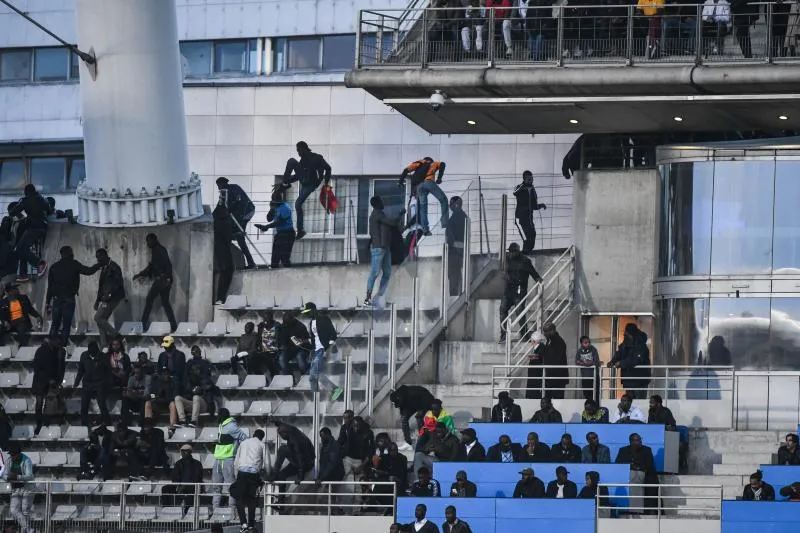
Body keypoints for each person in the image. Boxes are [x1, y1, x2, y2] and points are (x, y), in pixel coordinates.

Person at [279, 141, 332, 240]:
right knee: (291, 161)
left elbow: (328, 168)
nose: (298, 153)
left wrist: (325, 183)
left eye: (299, 150)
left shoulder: (317, 158)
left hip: (311, 183)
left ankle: (300, 230)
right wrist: (286, 181)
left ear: (304, 149)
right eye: (297, 151)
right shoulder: (303, 161)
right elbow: (297, 176)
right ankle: (284, 183)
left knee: (297, 203)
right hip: (305, 182)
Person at [45, 245, 98, 345]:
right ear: (69, 253)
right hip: (69, 298)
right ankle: (63, 346)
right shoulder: (74, 264)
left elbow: (50, 287)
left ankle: (50, 345)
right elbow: (88, 271)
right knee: (66, 324)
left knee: (55, 324)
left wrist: (47, 302)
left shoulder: (54, 267)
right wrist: (98, 265)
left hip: (56, 299)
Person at [364, 195, 405, 307]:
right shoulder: (377, 214)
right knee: (374, 273)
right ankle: (367, 299)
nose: (383, 203)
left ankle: (379, 298)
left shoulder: (378, 215)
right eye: (381, 202)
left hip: (385, 248)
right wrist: (400, 214)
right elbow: (392, 223)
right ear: (377, 204)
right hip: (378, 248)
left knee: (387, 273)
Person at [133, 233, 178, 332]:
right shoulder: (156, 250)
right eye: (147, 242)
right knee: (165, 303)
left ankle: (143, 324)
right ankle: (174, 326)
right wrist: (140, 274)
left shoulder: (160, 250)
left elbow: (168, 264)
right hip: (164, 280)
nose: (148, 243)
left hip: (162, 280)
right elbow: (152, 267)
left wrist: (167, 278)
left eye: (149, 241)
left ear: (154, 240)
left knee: (149, 299)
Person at [498, 242, 542, 343]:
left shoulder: (525, 261)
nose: (511, 253)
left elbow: (534, 273)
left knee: (519, 312)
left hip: (520, 291)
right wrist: (504, 275)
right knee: (502, 310)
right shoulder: (506, 259)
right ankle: (503, 335)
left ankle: (524, 334)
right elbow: (500, 269)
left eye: (513, 252)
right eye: (510, 251)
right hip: (508, 291)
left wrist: (539, 281)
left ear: (518, 251)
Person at [300, 302, 343, 400]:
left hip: (323, 349)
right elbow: (314, 339)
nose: (307, 314)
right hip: (316, 351)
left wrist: (328, 349)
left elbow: (333, 334)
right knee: (312, 376)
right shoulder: (311, 323)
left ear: (314, 310)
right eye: (306, 312)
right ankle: (316, 397)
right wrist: (310, 348)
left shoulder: (324, 319)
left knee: (315, 373)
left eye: (308, 312)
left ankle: (335, 389)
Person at [10, 184, 49, 281]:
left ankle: (39, 263)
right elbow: (48, 209)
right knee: (22, 248)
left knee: (20, 248)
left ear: (26, 192)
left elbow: (13, 212)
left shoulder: (25, 200)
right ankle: (23, 275)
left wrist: (20, 205)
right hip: (43, 228)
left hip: (34, 228)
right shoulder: (41, 199)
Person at [399, 157, 448, 235]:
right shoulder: (433, 163)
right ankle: (445, 222)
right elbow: (442, 164)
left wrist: (400, 181)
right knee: (443, 199)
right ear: (430, 160)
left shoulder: (419, 163)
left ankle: (425, 229)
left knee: (423, 208)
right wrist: (439, 178)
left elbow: (406, 170)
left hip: (420, 186)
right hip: (429, 182)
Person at [212, 408, 249, 512]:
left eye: (218, 414)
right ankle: (215, 510)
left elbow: (245, 438)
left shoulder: (232, 426)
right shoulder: (221, 425)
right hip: (218, 459)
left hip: (228, 459)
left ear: (222, 415)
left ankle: (232, 510)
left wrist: (237, 450)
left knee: (231, 487)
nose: (217, 416)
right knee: (216, 487)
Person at [232, 429, 269, 532]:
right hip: (254, 474)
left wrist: (236, 476)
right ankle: (251, 525)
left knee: (239, 499)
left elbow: (236, 461)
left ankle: (243, 524)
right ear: (262, 437)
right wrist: (267, 476)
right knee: (251, 499)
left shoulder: (243, 443)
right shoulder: (262, 445)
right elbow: (267, 463)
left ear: (253, 434)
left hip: (241, 473)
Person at [216, 177, 256, 269]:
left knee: (239, 236)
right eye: (217, 186)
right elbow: (220, 206)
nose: (218, 188)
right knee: (230, 234)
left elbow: (242, 204)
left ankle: (251, 263)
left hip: (247, 211)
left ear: (224, 184)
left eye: (219, 185)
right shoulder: (223, 193)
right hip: (236, 215)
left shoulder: (234, 188)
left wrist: (240, 224)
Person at [615, 433, 659, 513]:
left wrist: (639, 467)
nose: (640, 441)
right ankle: (632, 509)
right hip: (627, 474)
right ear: (631, 442)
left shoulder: (647, 450)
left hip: (643, 473)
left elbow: (650, 465)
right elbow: (618, 464)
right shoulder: (623, 450)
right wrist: (630, 466)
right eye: (637, 440)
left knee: (639, 476)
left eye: (640, 439)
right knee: (632, 475)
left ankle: (637, 509)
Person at [338, 412, 375, 505]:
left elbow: (371, 452)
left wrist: (362, 466)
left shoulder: (368, 433)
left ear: (362, 425)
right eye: (354, 426)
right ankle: (346, 507)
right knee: (348, 484)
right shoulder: (346, 429)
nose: (356, 428)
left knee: (359, 486)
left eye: (358, 426)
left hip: (360, 460)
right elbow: (340, 442)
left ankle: (356, 508)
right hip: (348, 458)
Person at [31, 336, 65, 436]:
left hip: (51, 382)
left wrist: (57, 380)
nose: (58, 345)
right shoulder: (41, 351)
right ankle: (39, 424)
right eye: (57, 343)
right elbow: (37, 368)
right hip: (40, 382)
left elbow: (59, 367)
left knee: (49, 404)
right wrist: (49, 379)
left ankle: (46, 423)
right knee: (39, 403)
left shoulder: (57, 352)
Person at [175, 346, 215, 428]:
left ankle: (194, 421)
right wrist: (191, 390)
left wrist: (201, 389)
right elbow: (186, 393)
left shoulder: (205, 379)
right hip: (192, 405)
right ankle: (182, 421)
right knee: (177, 398)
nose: (195, 371)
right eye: (193, 369)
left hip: (203, 405)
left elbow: (211, 392)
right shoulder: (188, 382)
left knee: (196, 397)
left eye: (197, 369)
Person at [608, 323, 651, 399]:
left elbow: (636, 360)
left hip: (639, 380)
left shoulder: (641, 345)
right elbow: (619, 353)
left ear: (630, 334)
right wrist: (612, 361)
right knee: (629, 401)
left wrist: (621, 363)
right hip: (628, 380)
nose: (624, 334)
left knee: (638, 402)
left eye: (625, 332)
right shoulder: (626, 343)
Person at [74, 340, 112, 427]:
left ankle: (108, 424)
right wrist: (76, 382)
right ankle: (84, 424)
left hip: (99, 383)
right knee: (84, 405)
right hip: (87, 383)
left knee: (102, 405)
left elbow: (108, 372)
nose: (93, 353)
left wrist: (108, 384)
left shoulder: (103, 357)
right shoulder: (84, 356)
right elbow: (81, 371)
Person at [93, 248, 125, 347]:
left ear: (104, 256)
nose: (98, 260)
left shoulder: (114, 267)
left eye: (99, 258)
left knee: (98, 318)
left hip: (113, 298)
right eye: (97, 258)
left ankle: (117, 336)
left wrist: (110, 295)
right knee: (100, 321)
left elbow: (118, 284)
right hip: (106, 298)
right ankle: (104, 345)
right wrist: (97, 300)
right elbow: (101, 286)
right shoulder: (104, 268)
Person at [255, 190, 296, 269]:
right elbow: (269, 219)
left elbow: (279, 222)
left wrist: (266, 227)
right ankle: (274, 273)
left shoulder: (285, 208)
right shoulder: (275, 207)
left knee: (284, 258)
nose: (275, 204)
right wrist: (271, 209)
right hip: (280, 234)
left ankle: (289, 274)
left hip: (288, 234)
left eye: (276, 203)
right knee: (275, 259)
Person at [390, 384, 436, 450]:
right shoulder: (401, 398)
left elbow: (426, 398)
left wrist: (423, 410)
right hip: (412, 405)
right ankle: (408, 443)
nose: (395, 405)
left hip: (424, 402)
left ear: (398, 398)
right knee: (404, 419)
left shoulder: (411, 393)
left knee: (419, 417)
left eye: (395, 403)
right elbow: (402, 409)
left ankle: (422, 439)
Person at [2, 444, 35, 533]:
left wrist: (17, 477)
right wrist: (7, 478)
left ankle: (26, 530)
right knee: (14, 511)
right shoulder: (8, 461)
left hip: (27, 488)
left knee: (25, 511)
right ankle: (29, 530)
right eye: (11, 454)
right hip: (15, 489)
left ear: (19, 454)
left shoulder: (26, 460)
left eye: (14, 454)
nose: (12, 456)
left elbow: (30, 476)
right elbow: (3, 474)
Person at [162, 444, 203, 514]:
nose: (183, 453)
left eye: (186, 451)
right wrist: (178, 485)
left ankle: (188, 511)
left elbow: (197, 478)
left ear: (190, 452)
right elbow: (174, 477)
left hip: (192, 485)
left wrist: (185, 486)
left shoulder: (197, 464)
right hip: (180, 485)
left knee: (192, 490)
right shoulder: (178, 463)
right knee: (165, 488)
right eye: (182, 451)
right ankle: (166, 509)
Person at [513, 171, 547, 254]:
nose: (531, 180)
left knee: (532, 235)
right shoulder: (520, 187)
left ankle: (526, 253)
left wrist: (541, 205)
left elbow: (534, 206)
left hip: (529, 217)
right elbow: (515, 193)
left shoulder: (532, 189)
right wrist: (523, 185)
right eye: (528, 179)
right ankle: (524, 253)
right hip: (522, 217)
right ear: (524, 179)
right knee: (528, 237)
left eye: (531, 179)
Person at [444, 196, 468, 296]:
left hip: (454, 252)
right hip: (461, 251)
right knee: (458, 275)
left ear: (457, 205)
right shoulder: (464, 217)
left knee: (454, 276)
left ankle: (455, 296)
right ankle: (459, 293)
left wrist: (451, 245)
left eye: (452, 204)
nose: (450, 207)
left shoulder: (456, 218)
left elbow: (450, 237)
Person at [212, 204, 235, 304]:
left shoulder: (216, 221)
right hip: (224, 249)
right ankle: (220, 297)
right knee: (227, 271)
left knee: (225, 271)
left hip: (220, 248)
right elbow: (228, 235)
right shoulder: (225, 221)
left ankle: (220, 297)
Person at [278, 310, 310, 378]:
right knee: (281, 359)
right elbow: (280, 340)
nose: (286, 324)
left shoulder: (300, 326)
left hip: (301, 349)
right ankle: (290, 378)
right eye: (284, 322)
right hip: (288, 349)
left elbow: (307, 341)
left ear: (292, 319)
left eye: (287, 322)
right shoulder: (282, 326)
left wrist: (300, 341)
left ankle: (305, 376)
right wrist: (282, 345)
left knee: (300, 358)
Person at [158, 335, 187, 401]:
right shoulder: (162, 355)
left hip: (175, 376)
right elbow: (159, 368)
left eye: (167, 346)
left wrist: (170, 376)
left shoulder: (180, 355)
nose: (165, 347)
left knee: (175, 380)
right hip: (164, 376)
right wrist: (163, 375)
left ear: (172, 344)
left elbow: (181, 370)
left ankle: (174, 400)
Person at [254, 312, 281, 380]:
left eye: (267, 318)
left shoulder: (277, 325)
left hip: (273, 350)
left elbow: (280, 339)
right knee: (252, 361)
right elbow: (259, 338)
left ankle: (273, 376)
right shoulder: (261, 326)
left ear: (272, 318)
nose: (266, 320)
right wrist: (257, 348)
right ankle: (263, 379)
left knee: (269, 360)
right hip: (263, 350)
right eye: (265, 318)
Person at [575, 336, 600, 401]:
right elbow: (576, 361)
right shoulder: (579, 351)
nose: (588, 344)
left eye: (589, 342)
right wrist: (584, 363)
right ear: (581, 343)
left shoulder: (593, 349)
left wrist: (588, 363)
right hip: (585, 377)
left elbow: (597, 361)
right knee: (586, 394)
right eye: (585, 342)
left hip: (594, 376)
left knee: (596, 395)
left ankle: (596, 406)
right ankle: (589, 406)